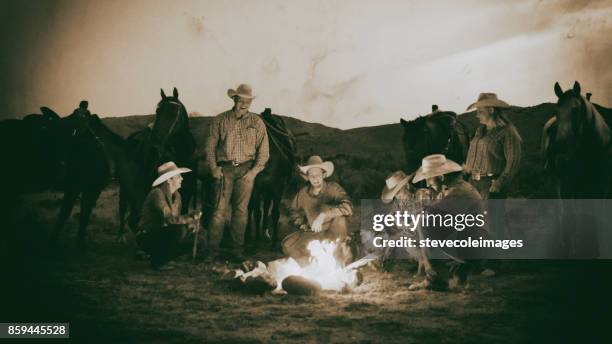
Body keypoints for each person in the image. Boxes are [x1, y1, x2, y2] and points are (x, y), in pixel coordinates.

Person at [205, 84, 269, 261]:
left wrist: (253, 173)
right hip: (225, 169)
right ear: (235, 100)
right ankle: (212, 252)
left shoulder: (257, 123)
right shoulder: (220, 120)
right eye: (241, 100)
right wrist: (213, 167)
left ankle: (236, 251)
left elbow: (264, 152)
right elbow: (210, 147)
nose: (244, 104)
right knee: (219, 211)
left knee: (241, 212)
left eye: (248, 101)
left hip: (246, 169)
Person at [409, 154, 486, 291]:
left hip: (477, 249)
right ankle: (456, 269)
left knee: (424, 223)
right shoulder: (453, 188)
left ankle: (436, 280)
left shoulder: (459, 192)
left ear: (441, 177)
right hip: (473, 244)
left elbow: (430, 216)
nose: (427, 184)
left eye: (429, 179)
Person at [283, 156, 353, 266]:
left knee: (341, 220)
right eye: (312, 176)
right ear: (307, 177)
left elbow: (348, 207)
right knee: (287, 245)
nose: (315, 179)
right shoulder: (303, 193)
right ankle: (314, 261)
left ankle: (338, 257)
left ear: (324, 175)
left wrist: (324, 215)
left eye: (318, 175)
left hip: (333, 232)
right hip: (314, 233)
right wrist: (301, 224)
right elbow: (293, 210)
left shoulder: (333, 188)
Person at [136, 162, 201, 269]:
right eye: (178, 176)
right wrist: (189, 218)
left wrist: (190, 224)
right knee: (180, 231)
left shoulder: (177, 196)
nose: (182, 179)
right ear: (169, 180)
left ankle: (164, 257)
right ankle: (158, 262)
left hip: (161, 233)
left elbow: (175, 220)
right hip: (146, 235)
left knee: (196, 237)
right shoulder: (157, 194)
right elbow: (169, 220)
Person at [464, 93, 522, 199]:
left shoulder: (508, 131)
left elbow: (513, 162)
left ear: (491, 111)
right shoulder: (480, 130)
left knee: (491, 215)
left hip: (491, 186)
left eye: (480, 112)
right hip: (472, 184)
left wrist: (500, 182)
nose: (477, 115)